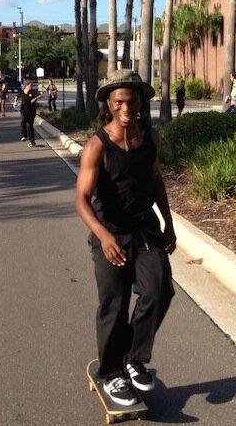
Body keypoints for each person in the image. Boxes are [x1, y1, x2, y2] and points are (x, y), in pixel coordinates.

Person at [75, 69, 177, 407]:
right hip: (110, 232)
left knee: (159, 290)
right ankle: (110, 373)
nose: (126, 108)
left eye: (132, 101)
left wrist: (169, 223)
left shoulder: (151, 138)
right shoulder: (96, 146)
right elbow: (81, 200)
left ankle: (133, 358)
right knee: (114, 305)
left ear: (141, 103)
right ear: (109, 103)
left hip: (145, 229)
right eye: (119, 102)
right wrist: (103, 236)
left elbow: (156, 180)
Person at [15, 76, 42, 147]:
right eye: (31, 85)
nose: (32, 87)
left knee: (30, 125)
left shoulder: (33, 92)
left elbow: (41, 95)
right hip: (24, 110)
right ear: (27, 85)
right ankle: (24, 136)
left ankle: (32, 141)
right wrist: (15, 102)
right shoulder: (21, 92)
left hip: (31, 111)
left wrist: (34, 99)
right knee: (23, 121)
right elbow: (17, 96)